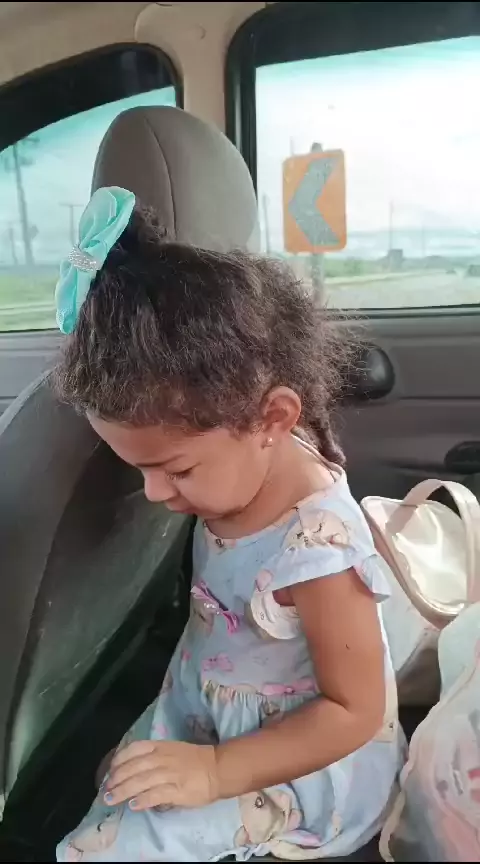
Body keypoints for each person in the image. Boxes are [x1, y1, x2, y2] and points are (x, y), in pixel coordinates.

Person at [54, 187, 404, 863]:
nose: (154, 493)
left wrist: (215, 772)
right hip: (209, 699)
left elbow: (354, 711)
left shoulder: (317, 552)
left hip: (294, 758)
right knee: (118, 793)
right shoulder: (246, 453)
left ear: (273, 419)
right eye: (140, 470)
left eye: (175, 470)